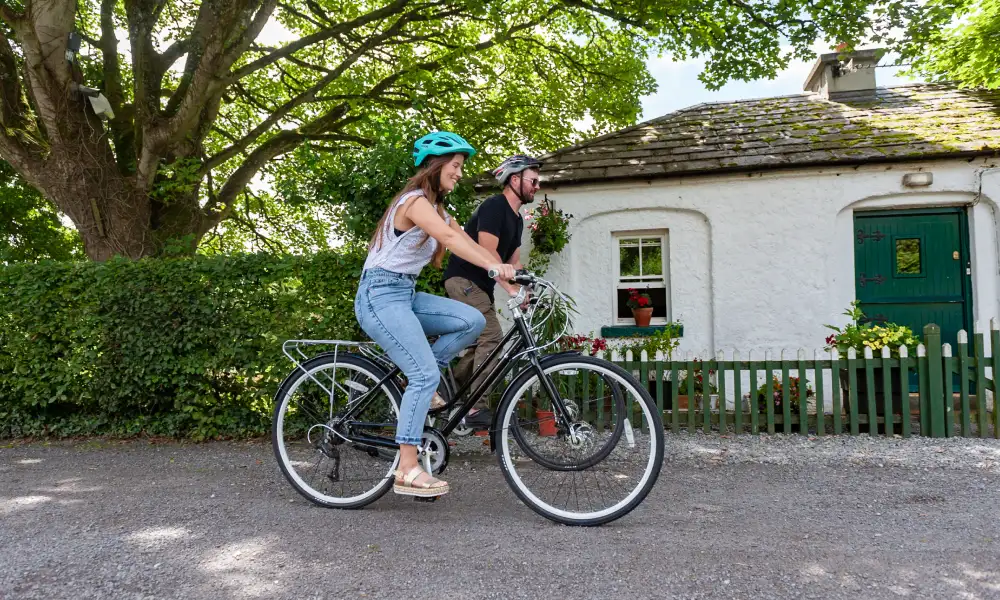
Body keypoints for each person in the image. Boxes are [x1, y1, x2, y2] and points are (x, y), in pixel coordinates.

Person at [354, 131, 516, 499]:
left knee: (472, 321)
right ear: (437, 166)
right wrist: (496, 270)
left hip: (404, 294)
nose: (460, 173)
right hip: (378, 295)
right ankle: (407, 468)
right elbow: (451, 239)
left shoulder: (439, 209)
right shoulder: (414, 202)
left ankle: (419, 385)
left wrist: (512, 280)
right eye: (456, 166)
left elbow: (469, 244)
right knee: (425, 373)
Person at [443, 155, 542, 429]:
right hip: (464, 278)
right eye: (533, 181)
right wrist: (510, 289)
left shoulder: (517, 219)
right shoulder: (494, 206)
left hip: (479, 286)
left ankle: (442, 388)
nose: (536, 186)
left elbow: (514, 261)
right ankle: (475, 408)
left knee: (481, 345)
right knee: (493, 335)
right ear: (515, 179)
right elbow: (489, 251)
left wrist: (527, 291)